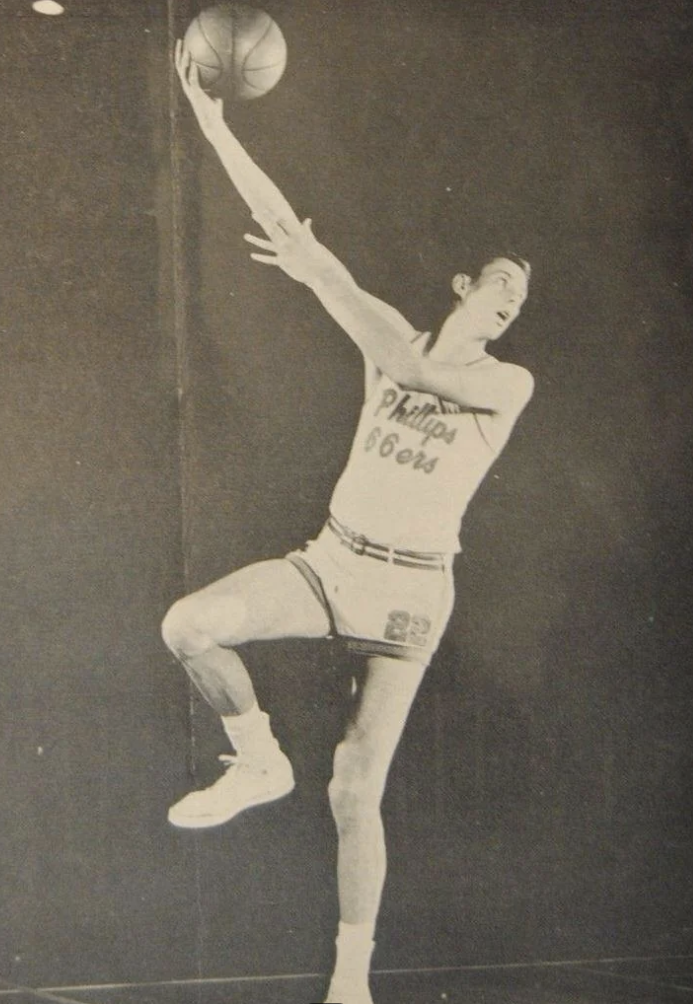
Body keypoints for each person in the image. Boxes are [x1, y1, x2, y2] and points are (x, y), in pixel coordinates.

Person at [162, 42, 534, 1004]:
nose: (509, 299)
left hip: (414, 589)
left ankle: (351, 983)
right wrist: (215, 127)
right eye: (498, 281)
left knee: (355, 790)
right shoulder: (392, 340)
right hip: (330, 563)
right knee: (188, 625)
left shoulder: (504, 383)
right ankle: (254, 759)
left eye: (520, 298)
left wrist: (326, 283)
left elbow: (405, 368)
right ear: (464, 288)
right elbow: (292, 232)